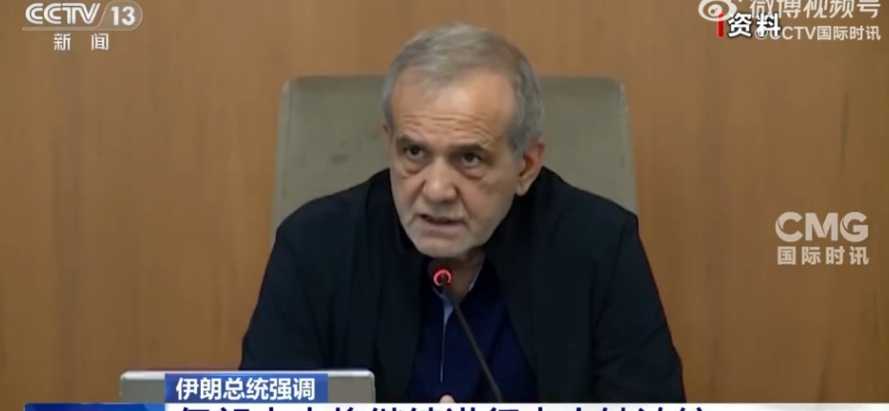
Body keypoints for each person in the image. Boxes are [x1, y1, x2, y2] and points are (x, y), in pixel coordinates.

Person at [240, 23, 684, 402]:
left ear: (526, 166)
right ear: (389, 144)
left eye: (469, 158)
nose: (436, 190)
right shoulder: (314, 248)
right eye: (414, 153)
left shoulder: (599, 249)